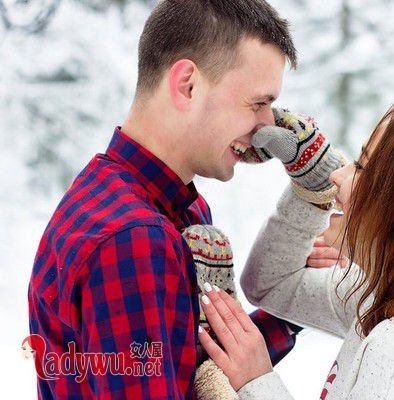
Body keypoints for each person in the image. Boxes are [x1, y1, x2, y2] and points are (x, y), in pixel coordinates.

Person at [27, 0, 306, 398]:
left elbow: (192, 370)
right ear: (187, 85)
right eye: (258, 103)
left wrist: (294, 305)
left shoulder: (176, 209)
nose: (267, 126)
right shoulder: (133, 240)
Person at [197, 103, 394, 399]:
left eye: (361, 167)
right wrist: (311, 184)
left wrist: (258, 382)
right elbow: (270, 284)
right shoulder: (387, 301)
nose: (338, 175)